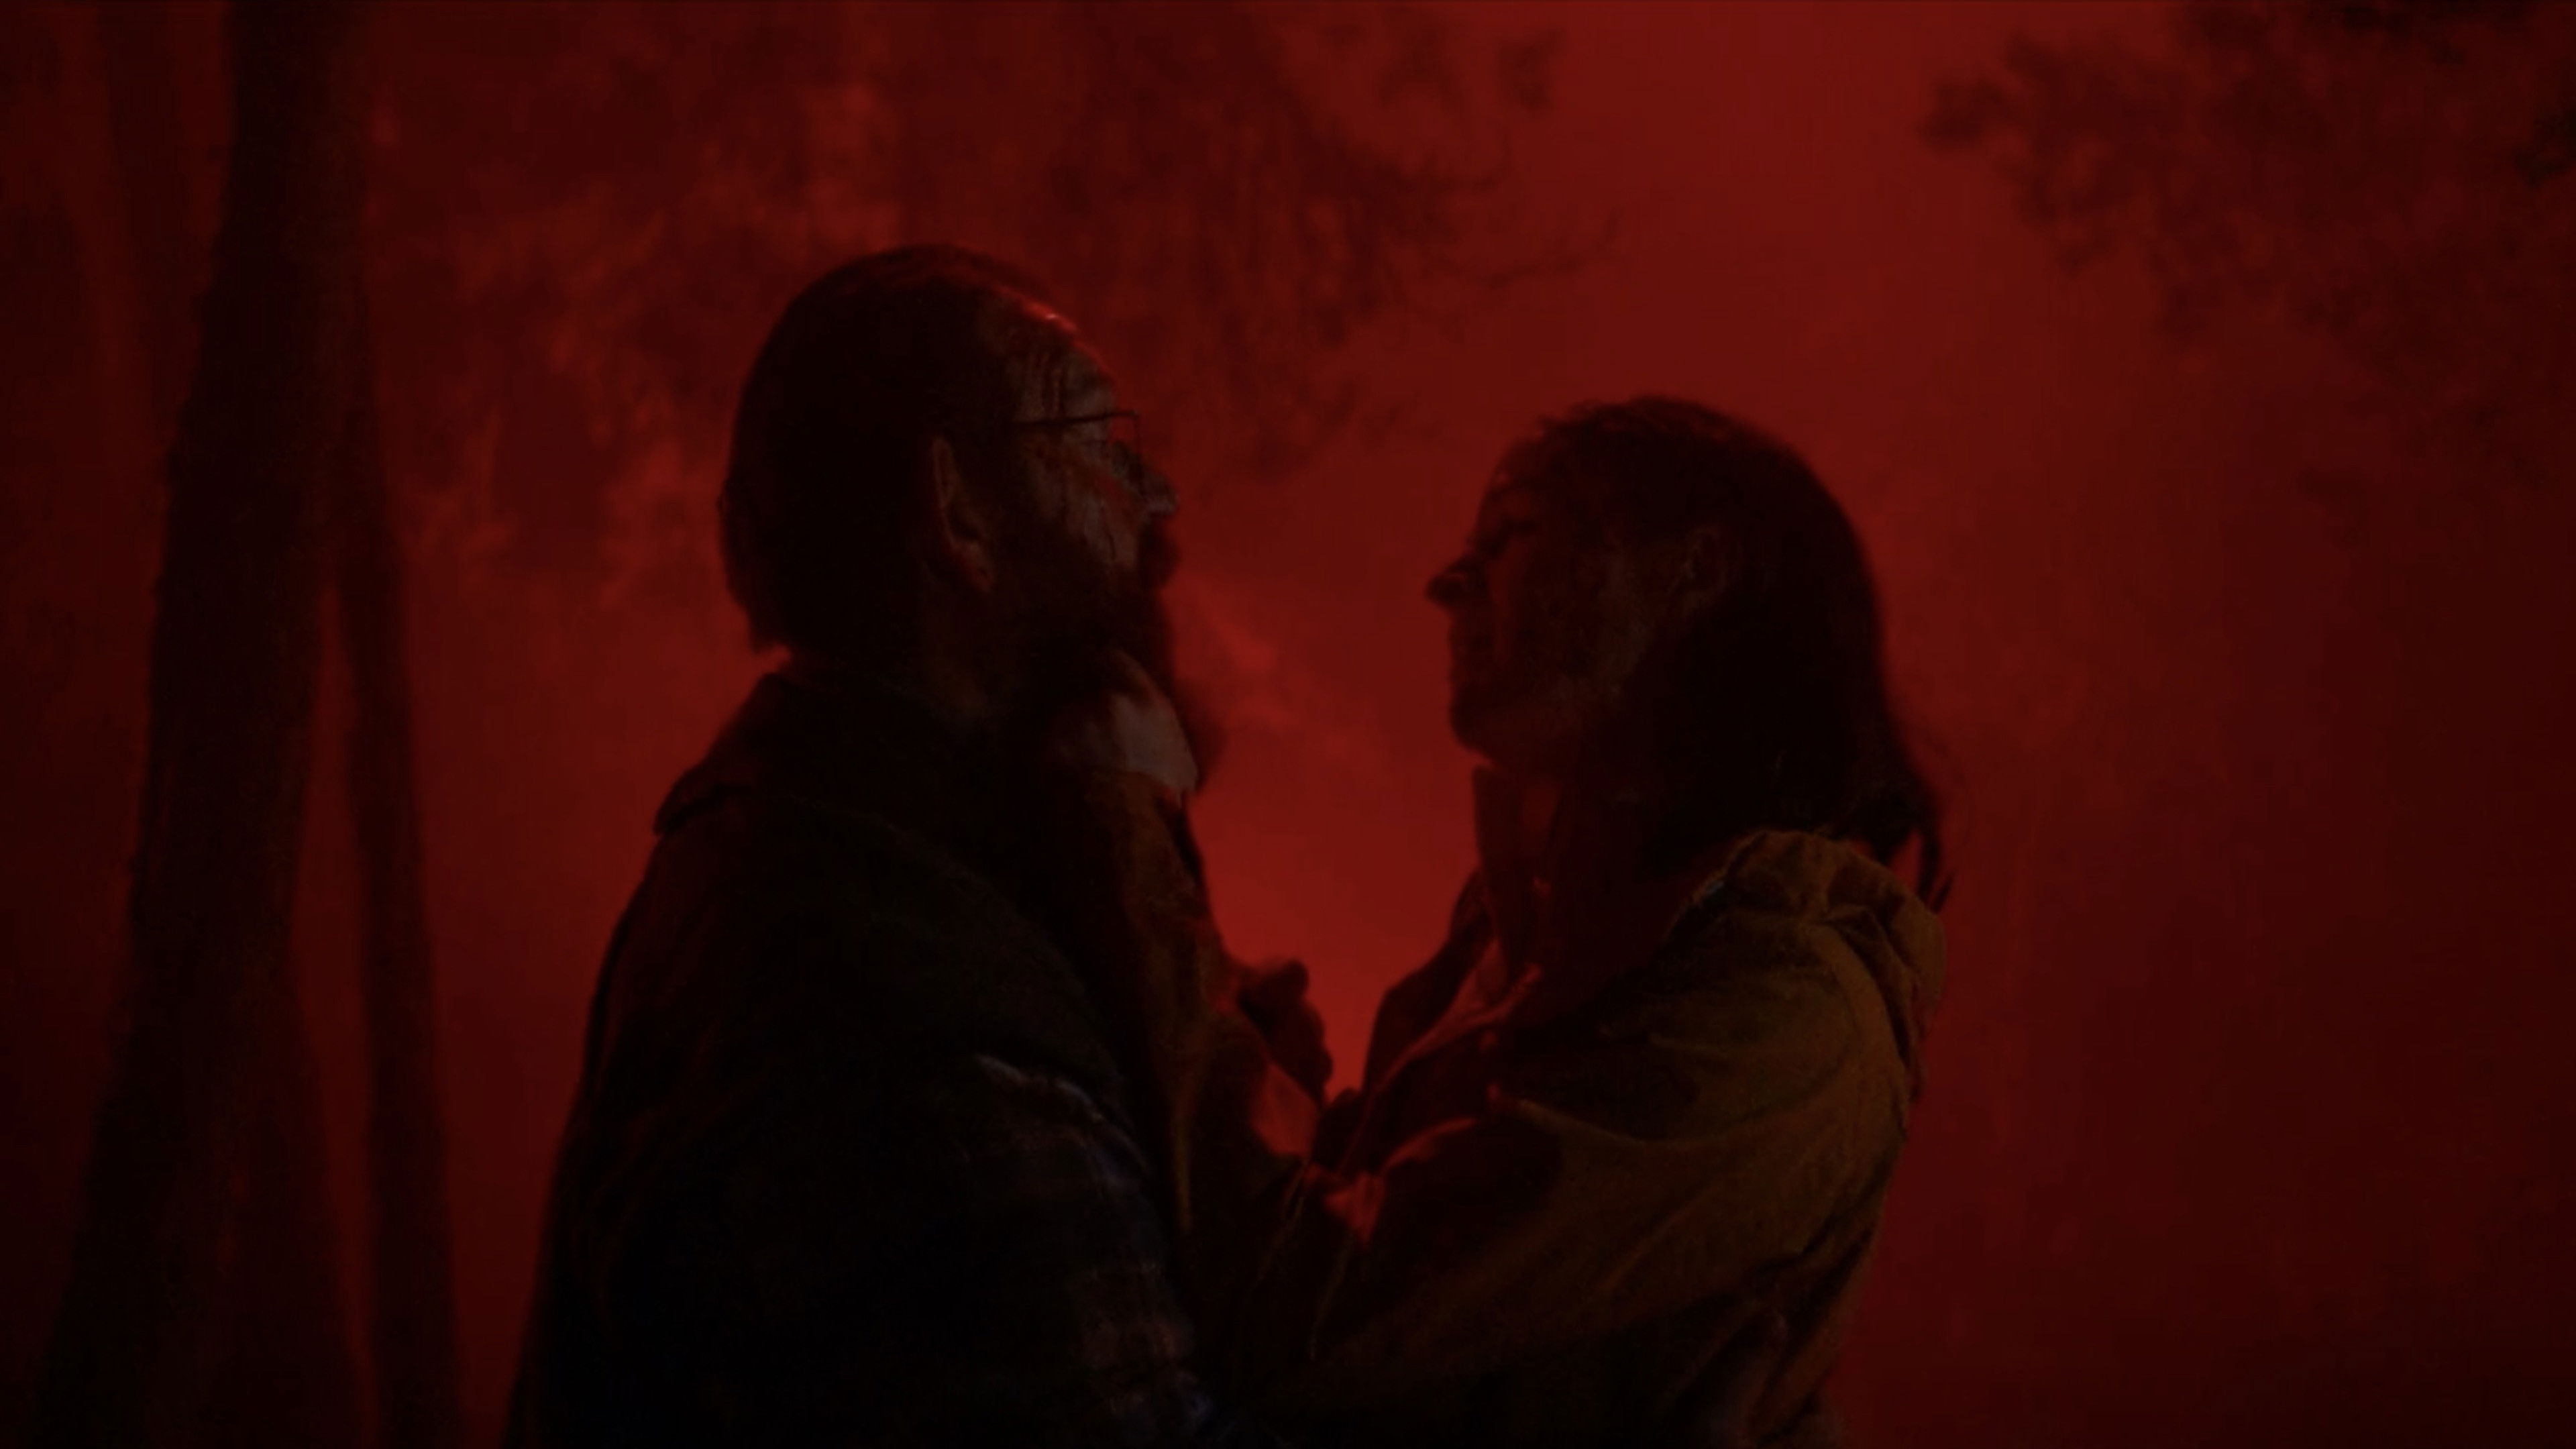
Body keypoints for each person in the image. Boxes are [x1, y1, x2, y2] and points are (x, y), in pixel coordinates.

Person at [504, 248, 1788, 1448]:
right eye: (1104, 447)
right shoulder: (902, 998)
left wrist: (1186, 1072)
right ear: (960, 517)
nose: (1162, 507)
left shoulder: (832, 868)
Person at [1057, 399, 1947, 1447]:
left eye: (1512, 534)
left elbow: (1306, 1313)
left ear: (1696, 572)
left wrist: (1128, 836)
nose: (1447, 585)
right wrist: (1274, 1088)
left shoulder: (1783, 1016)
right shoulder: (1531, 930)